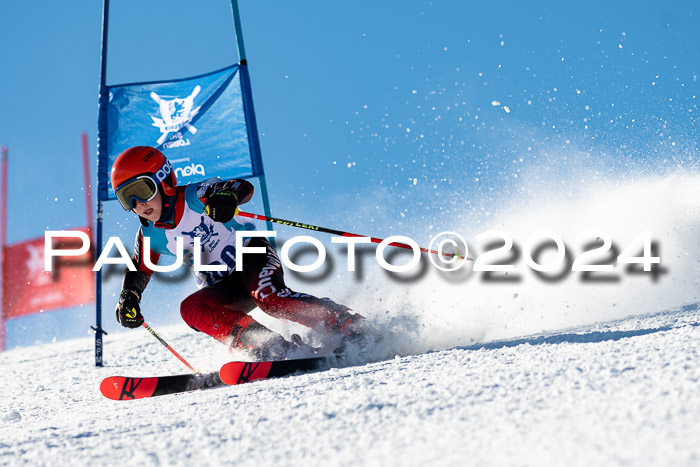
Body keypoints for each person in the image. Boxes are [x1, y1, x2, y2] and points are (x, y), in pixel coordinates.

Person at [110, 145, 370, 360]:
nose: (138, 204)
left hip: (252, 256)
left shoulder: (195, 196)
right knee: (192, 308)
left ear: (164, 181)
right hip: (225, 285)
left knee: (270, 299)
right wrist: (129, 295)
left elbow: (241, 187)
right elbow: (140, 268)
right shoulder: (150, 235)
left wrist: (226, 197)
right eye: (126, 198)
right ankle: (270, 347)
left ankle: (349, 326)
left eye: (142, 191)